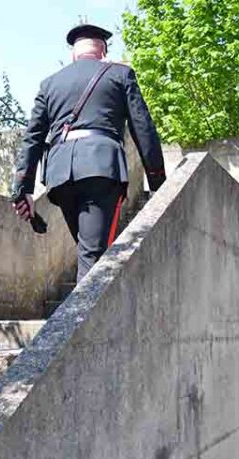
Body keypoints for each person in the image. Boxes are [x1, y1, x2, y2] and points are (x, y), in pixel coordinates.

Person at [12, 24, 166, 282]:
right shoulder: (120, 74)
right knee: (93, 258)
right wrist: (158, 181)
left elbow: (33, 137)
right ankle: (79, 321)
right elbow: (144, 128)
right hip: (101, 169)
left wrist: (22, 188)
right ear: (102, 51)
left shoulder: (50, 83)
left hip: (60, 176)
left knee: (89, 252)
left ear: (74, 53)